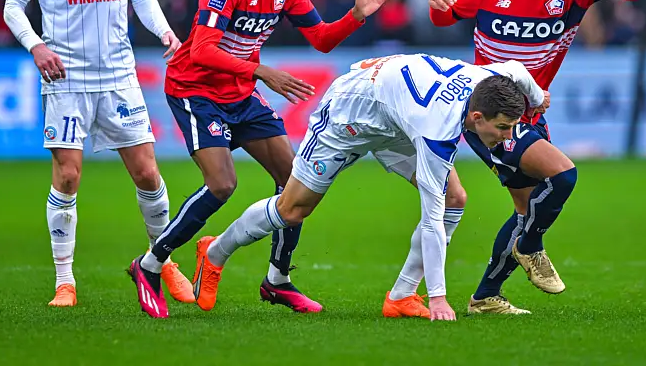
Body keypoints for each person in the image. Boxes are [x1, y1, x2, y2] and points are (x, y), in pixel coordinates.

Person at [127, 0, 394, 319]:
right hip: (197, 90)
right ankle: (150, 264)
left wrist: (357, 15)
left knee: (296, 179)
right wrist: (261, 72)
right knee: (222, 185)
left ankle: (277, 280)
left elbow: (322, 39)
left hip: (240, 91)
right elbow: (202, 51)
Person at [187, 53, 545, 321]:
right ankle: (215, 251)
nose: (507, 136)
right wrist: (439, 297)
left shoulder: (492, 80)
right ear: (477, 118)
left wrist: (536, 95)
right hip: (351, 114)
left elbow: (515, 69)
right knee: (293, 208)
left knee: (456, 198)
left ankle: (402, 296)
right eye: (502, 128)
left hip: (396, 115)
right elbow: (431, 218)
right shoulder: (437, 130)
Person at [426, 0, 646, 314]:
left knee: (526, 209)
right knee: (563, 175)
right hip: (487, 115)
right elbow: (443, 18)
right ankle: (531, 248)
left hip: (530, 112)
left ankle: (486, 297)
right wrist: (438, 2)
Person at [1, 0, 191, 308]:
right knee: (67, 177)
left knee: (148, 172)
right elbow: (12, 5)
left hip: (118, 75)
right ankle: (64, 281)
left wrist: (165, 30)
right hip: (66, 77)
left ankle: (163, 261)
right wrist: (37, 46)